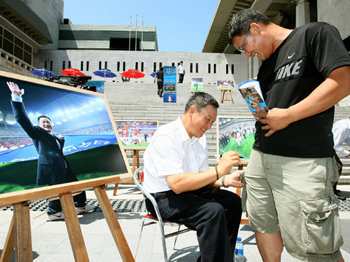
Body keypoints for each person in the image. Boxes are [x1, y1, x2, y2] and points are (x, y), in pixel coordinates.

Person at [228, 9, 350, 262]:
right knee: (262, 223)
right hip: (261, 158)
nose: (247, 54)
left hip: (303, 160)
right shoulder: (266, 66)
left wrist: (289, 115)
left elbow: (343, 80)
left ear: (255, 28)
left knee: (315, 244)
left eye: (244, 47)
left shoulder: (314, 34)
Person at [143, 92, 244, 262]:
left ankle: (222, 257)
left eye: (212, 122)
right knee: (212, 211)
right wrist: (219, 170)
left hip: (190, 190)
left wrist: (225, 180)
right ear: (192, 111)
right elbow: (177, 184)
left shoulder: (200, 138)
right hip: (163, 197)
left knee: (233, 203)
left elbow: (202, 178)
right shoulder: (167, 135)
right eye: (207, 119)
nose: (209, 126)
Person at [7, 81, 94, 221]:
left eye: (48, 121)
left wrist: (61, 140)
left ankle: (81, 206)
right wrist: (16, 97)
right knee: (55, 190)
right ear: (39, 126)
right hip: (51, 169)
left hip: (63, 166)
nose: (47, 123)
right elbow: (21, 119)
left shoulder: (54, 136)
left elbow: (57, 150)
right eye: (43, 122)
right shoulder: (37, 133)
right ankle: (53, 212)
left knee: (76, 185)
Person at [332, 117, 350, 200]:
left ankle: (333, 190)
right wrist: (347, 153)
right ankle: (331, 193)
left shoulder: (346, 125)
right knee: (337, 167)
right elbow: (335, 145)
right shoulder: (344, 127)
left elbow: (346, 139)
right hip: (327, 148)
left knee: (337, 167)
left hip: (329, 147)